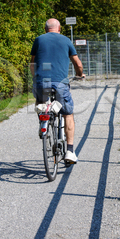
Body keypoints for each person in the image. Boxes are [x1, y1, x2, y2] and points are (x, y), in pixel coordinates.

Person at [30, 18, 85, 164]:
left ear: (45, 28)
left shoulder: (39, 40)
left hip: (42, 82)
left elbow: (33, 63)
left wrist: (35, 78)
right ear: (59, 28)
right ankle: (70, 151)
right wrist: (80, 74)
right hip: (60, 83)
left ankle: (44, 122)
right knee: (68, 113)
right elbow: (77, 63)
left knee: (40, 99)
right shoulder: (66, 40)